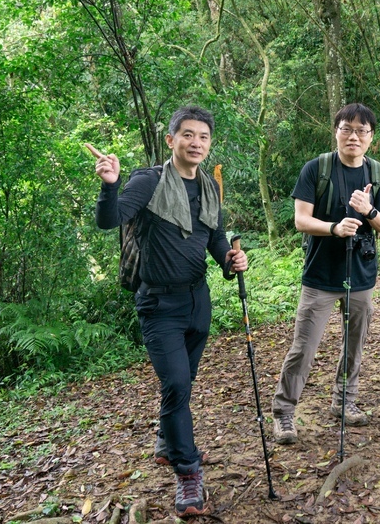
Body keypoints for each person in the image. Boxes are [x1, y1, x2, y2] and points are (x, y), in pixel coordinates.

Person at [92, 106, 247, 517]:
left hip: (198, 300)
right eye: (188, 135)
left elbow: (213, 236)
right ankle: (187, 471)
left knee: (184, 382)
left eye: (204, 137)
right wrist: (110, 185)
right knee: (176, 383)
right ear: (171, 140)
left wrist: (230, 260)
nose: (196, 143)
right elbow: (110, 219)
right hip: (158, 303)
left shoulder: (209, 188)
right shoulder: (149, 180)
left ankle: (166, 439)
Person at [271, 103, 380, 445]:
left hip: (362, 275)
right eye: (347, 129)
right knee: (304, 348)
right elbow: (300, 220)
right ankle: (283, 412)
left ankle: (345, 400)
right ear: (336, 132)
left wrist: (367, 209)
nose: (353, 136)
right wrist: (335, 228)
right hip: (321, 277)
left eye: (361, 131)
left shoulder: (378, 173)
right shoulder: (317, 169)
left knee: (355, 344)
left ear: (371, 138)